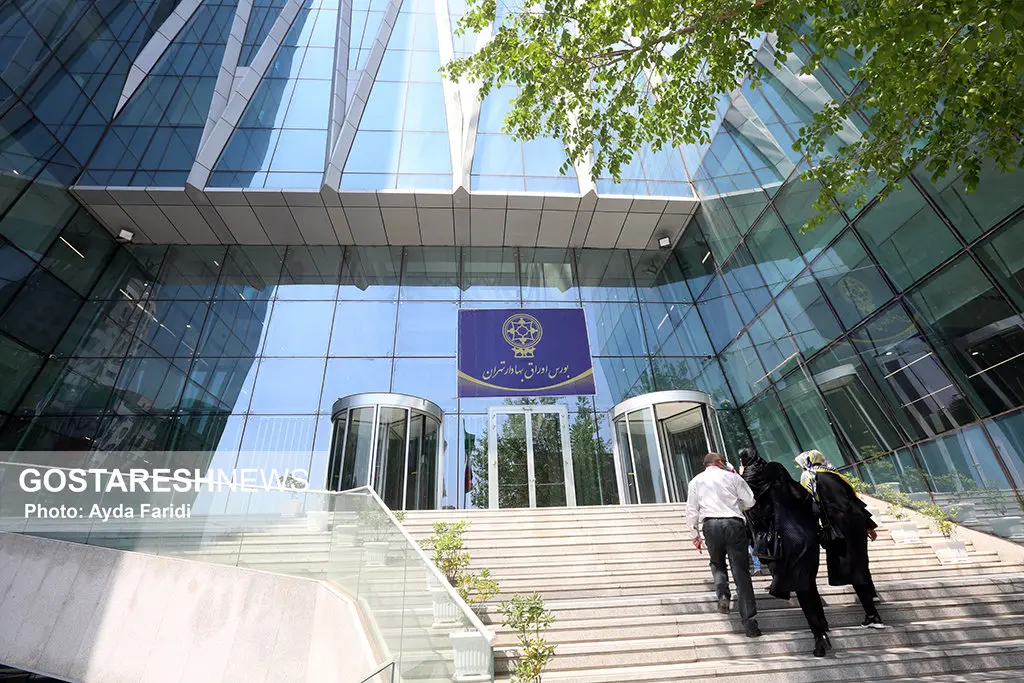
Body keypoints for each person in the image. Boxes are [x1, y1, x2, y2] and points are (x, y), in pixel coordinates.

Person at [796, 450, 884, 629]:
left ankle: (872, 615)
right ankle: (872, 594)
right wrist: (869, 525)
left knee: (852, 566)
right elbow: (853, 500)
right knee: (860, 560)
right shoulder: (834, 474)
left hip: (839, 524)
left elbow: (812, 504)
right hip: (856, 521)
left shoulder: (809, 476)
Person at [685, 452, 761, 637]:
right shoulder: (732, 477)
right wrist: (738, 506)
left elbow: (691, 509)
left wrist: (694, 534)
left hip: (710, 525)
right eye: (724, 462)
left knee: (717, 562)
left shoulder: (696, 481)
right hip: (733, 523)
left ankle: (723, 595)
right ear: (719, 462)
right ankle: (749, 622)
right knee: (741, 571)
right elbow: (750, 500)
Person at [762, 460, 832, 657]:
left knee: (802, 589)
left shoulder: (770, 493)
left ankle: (819, 635)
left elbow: (763, 518)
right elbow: (815, 511)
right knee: (809, 583)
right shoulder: (799, 489)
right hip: (810, 541)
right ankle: (822, 623)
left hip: (790, 542)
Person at [739, 447, 773, 576]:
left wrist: (741, 475)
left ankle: (773, 572)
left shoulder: (748, 474)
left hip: (756, 515)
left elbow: (745, 493)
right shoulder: (765, 468)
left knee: (759, 542)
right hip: (771, 511)